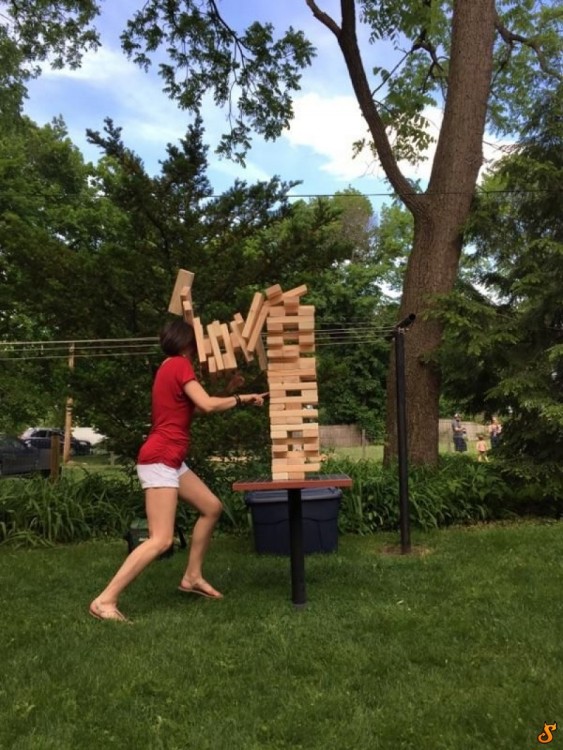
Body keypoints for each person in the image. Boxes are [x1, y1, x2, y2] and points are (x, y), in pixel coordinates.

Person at [89, 318, 268, 622]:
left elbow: (196, 407)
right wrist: (241, 398)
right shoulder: (179, 364)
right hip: (160, 458)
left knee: (211, 507)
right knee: (161, 539)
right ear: (188, 342)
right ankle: (105, 600)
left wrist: (228, 389)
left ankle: (192, 577)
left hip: (171, 460)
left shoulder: (169, 368)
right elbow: (209, 406)